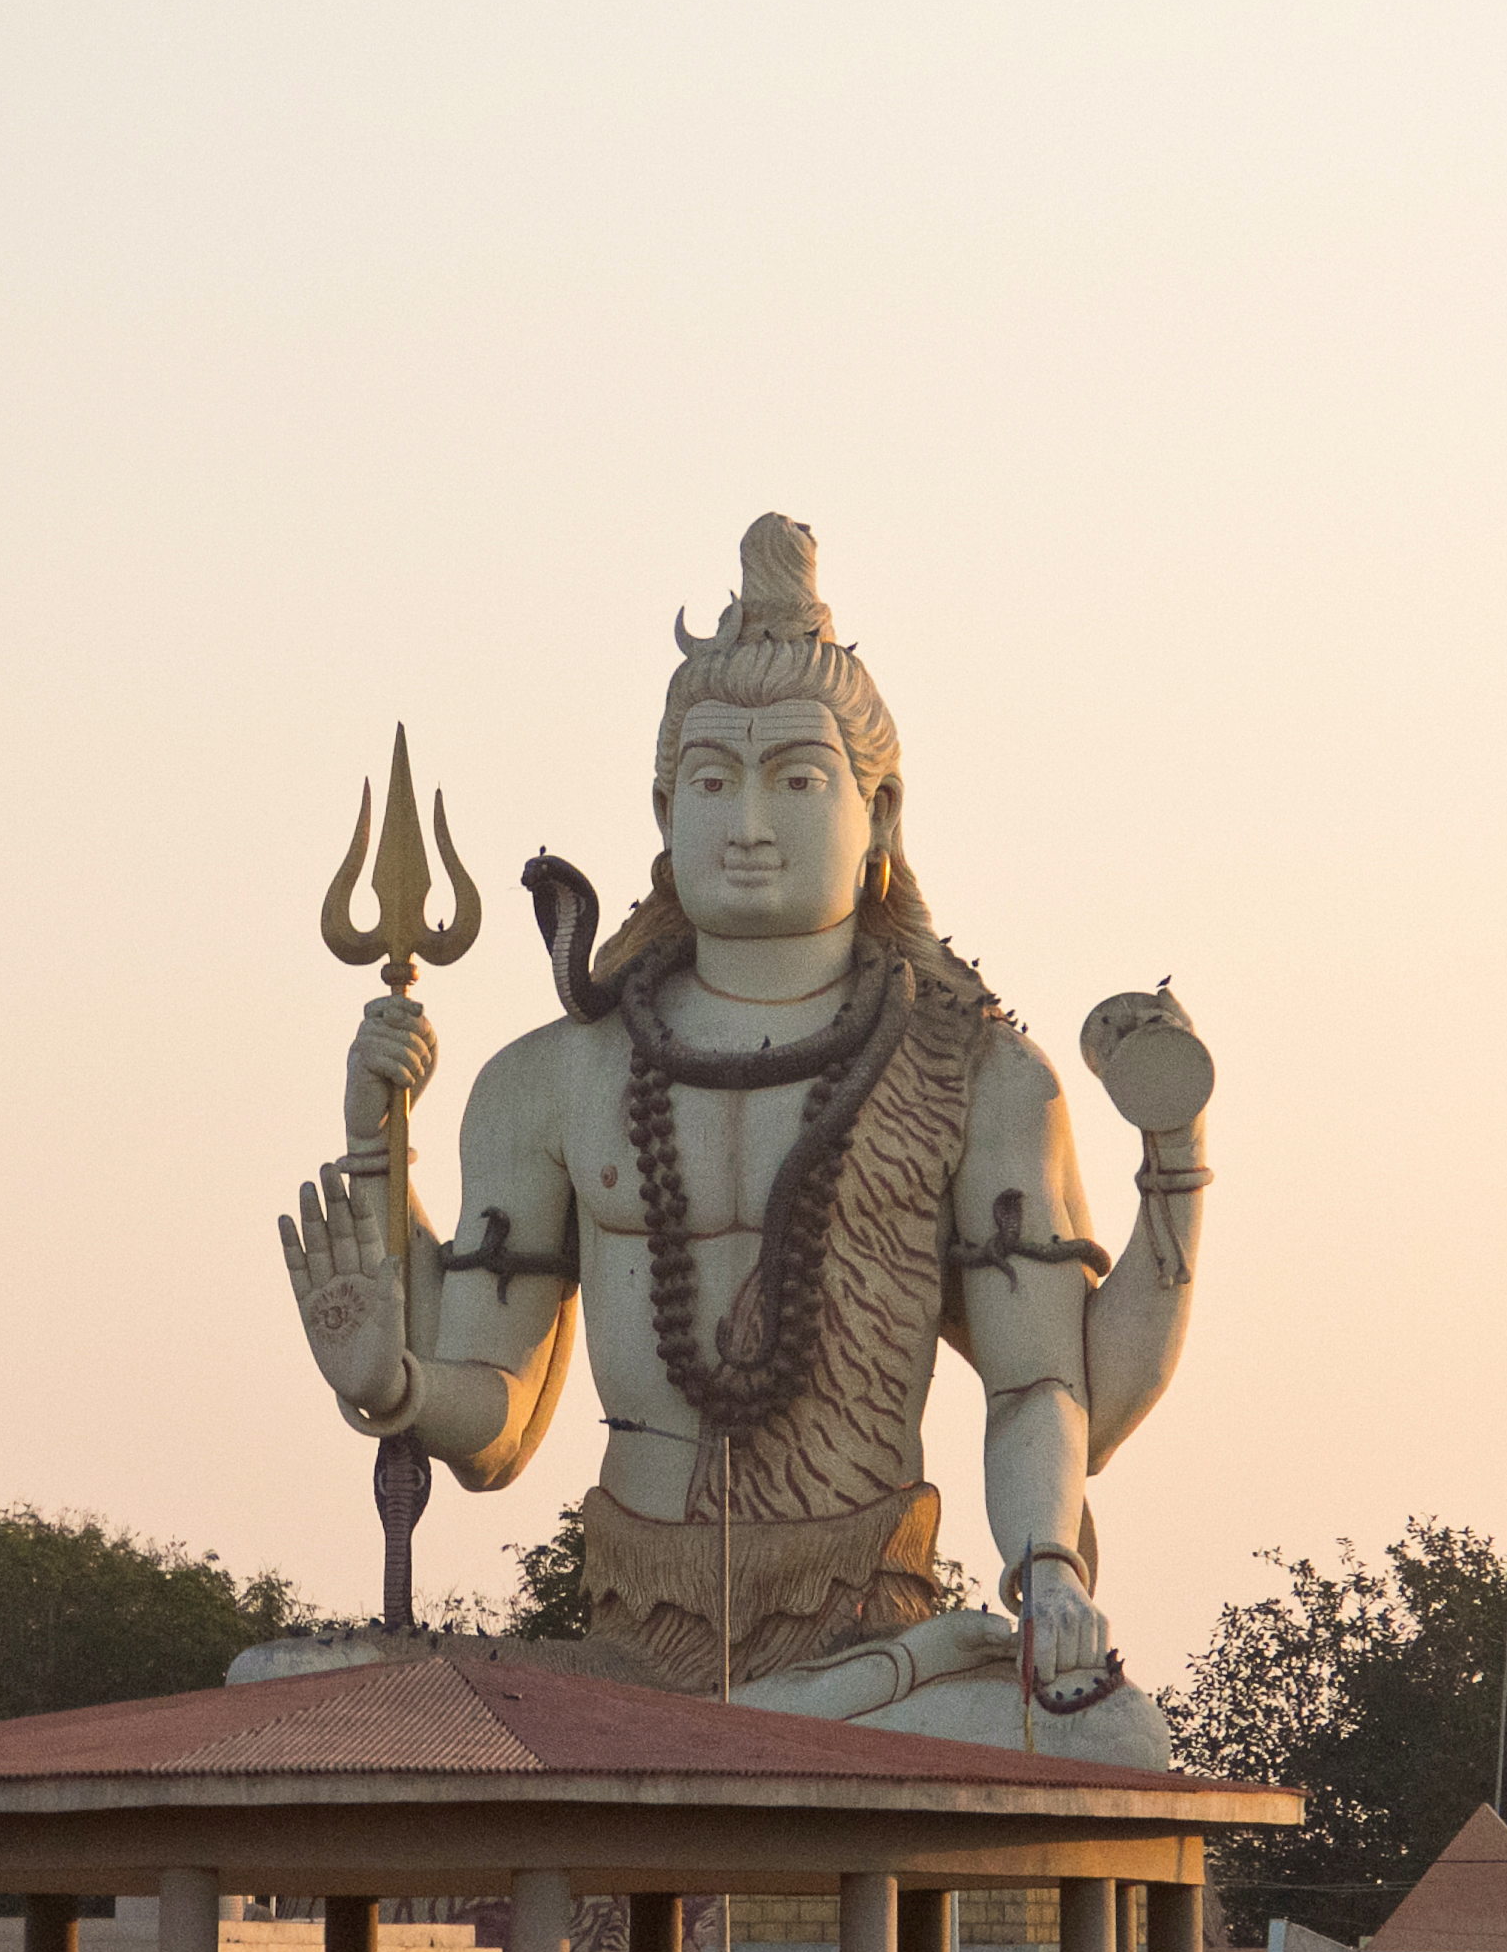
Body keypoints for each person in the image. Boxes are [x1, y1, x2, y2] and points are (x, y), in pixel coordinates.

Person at [278, 515, 1212, 1761]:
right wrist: (388, 1381)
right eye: (712, 781)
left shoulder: (975, 1072)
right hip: (624, 1637)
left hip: (869, 1632)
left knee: (1117, 1746)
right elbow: (497, 1426)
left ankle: (731, 1728)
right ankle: (695, 1730)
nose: (749, 823)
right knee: (277, 1687)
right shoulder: (545, 1082)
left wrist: (1044, 1563)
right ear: (662, 808)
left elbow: (1047, 1384)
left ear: (878, 812)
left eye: (796, 780)